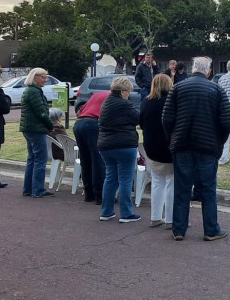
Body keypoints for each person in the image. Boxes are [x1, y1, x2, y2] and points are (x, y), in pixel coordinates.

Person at [162, 56, 230, 241]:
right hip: (208, 146)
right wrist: (220, 141)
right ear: (208, 71)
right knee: (208, 188)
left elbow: (167, 118)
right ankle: (211, 229)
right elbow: (226, 121)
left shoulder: (178, 88)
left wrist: (173, 139)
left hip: (183, 145)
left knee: (182, 188)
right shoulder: (216, 89)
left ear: (193, 69)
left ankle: (179, 229)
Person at [98, 76, 141, 223]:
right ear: (123, 91)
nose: (129, 94)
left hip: (105, 145)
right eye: (128, 91)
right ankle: (127, 213)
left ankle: (107, 211)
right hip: (124, 144)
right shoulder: (124, 104)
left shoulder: (106, 103)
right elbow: (137, 118)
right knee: (125, 180)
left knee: (110, 179)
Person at [140, 74, 175, 228]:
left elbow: (140, 122)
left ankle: (155, 217)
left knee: (157, 182)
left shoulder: (146, 101)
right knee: (171, 183)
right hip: (168, 147)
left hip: (151, 146)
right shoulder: (171, 102)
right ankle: (171, 219)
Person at [20, 68, 55, 198]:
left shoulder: (30, 90)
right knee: (40, 159)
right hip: (35, 129)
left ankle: (28, 188)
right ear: (35, 77)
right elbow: (41, 112)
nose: (45, 80)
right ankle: (38, 190)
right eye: (43, 77)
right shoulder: (34, 92)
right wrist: (50, 126)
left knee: (32, 159)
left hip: (29, 128)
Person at [73, 91, 109, 204]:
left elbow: (81, 109)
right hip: (93, 124)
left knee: (85, 160)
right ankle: (100, 195)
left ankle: (88, 193)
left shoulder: (97, 95)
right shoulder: (112, 97)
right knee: (98, 160)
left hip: (79, 123)